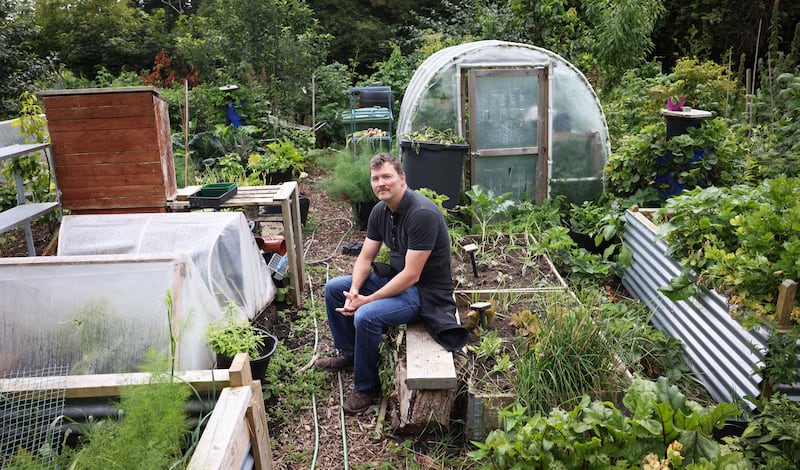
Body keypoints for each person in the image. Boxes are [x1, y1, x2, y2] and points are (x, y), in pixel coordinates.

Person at [315, 152, 467, 414]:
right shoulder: (380, 211)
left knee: (366, 316)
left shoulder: (422, 214)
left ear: (402, 179)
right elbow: (365, 258)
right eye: (376, 178)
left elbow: (411, 275)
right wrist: (353, 292)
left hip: (424, 292)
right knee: (334, 290)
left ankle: (366, 388)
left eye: (387, 176)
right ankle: (351, 354)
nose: (381, 183)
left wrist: (368, 300)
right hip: (396, 278)